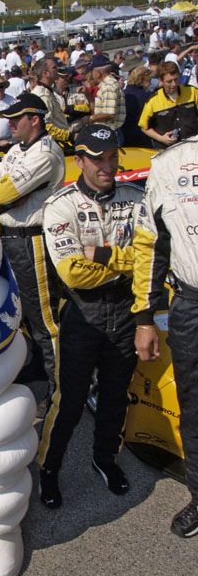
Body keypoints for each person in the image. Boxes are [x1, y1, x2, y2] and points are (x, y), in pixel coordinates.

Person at [38, 125, 144, 507]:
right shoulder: (61, 204)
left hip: (126, 310)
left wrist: (101, 255)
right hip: (83, 313)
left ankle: (105, 460)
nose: (107, 165)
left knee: (116, 396)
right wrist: (132, 263)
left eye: (112, 156)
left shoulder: (135, 197)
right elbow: (72, 272)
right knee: (69, 401)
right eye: (97, 157)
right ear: (79, 160)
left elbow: (152, 257)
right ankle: (48, 470)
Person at [132, 134, 198, 536]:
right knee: (194, 405)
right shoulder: (170, 163)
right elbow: (150, 245)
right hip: (191, 304)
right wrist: (144, 317)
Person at [0, 93, 65, 408]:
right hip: (11, 238)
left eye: (17, 118)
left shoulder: (45, 153)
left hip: (34, 240)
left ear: (36, 119)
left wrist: (1, 194)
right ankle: (40, 367)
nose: (10, 124)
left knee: (45, 320)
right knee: (23, 313)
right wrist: (0, 194)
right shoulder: (18, 149)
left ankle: (60, 389)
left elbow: (0, 191)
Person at [138, 62, 198, 147]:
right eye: (169, 81)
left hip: (193, 146)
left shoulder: (192, 92)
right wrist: (161, 138)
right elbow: (144, 127)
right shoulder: (153, 101)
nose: (173, 84)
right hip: (168, 150)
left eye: (176, 79)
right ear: (161, 81)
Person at [31, 58, 71, 143]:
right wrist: (69, 135)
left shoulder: (48, 91)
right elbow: (46, 126)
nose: (58, 69)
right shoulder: (43, 96)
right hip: (54, 142)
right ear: (46, 74)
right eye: (54, 67)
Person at [89, 56, 126, 143]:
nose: (91, 74)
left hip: (110, 132)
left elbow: (109, 114)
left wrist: (91, 118)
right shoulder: (110, 84)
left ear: (98, 73)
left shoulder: (108, 87)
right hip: (110, 131)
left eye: (92, 71)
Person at [121, 66, 153, 148]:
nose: (150, 83)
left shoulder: (123, 93)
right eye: (149, 80)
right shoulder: (146, 96)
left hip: (123, 136)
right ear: (142, 80)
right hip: (141, 137)